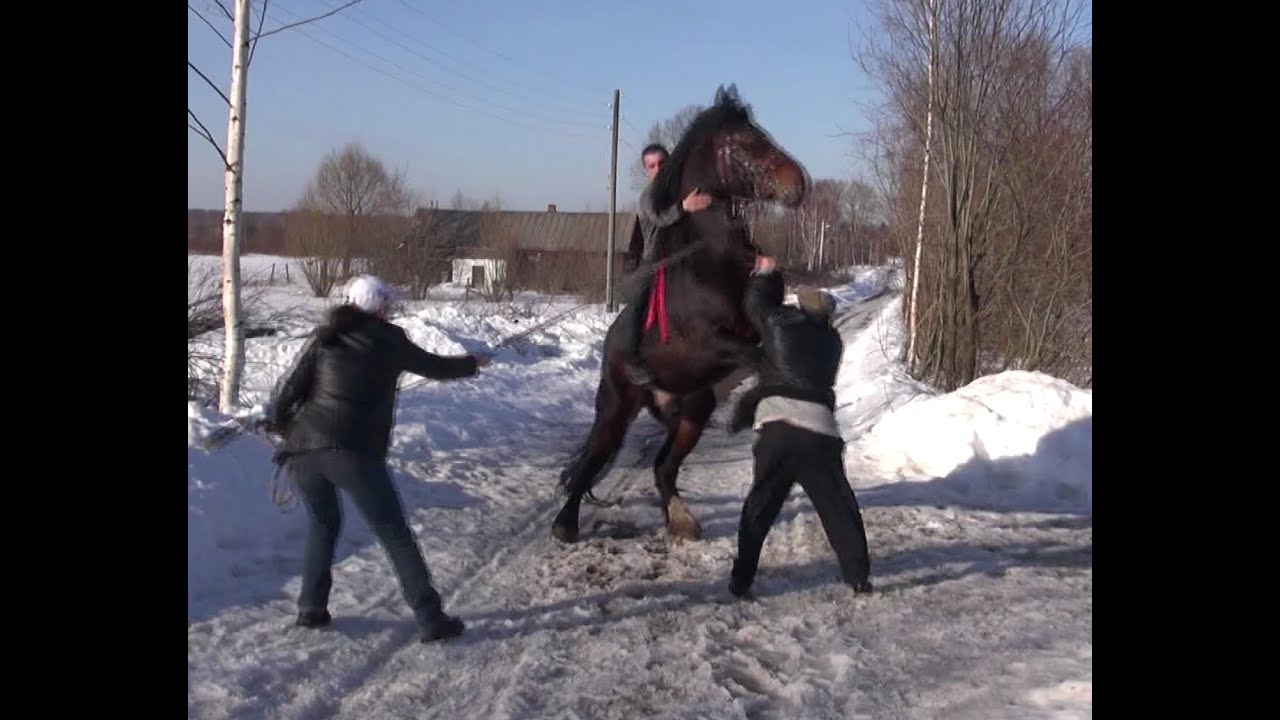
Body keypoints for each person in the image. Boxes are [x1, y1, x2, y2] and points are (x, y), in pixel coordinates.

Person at [263, 274, 494, 643]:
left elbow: (291, 388)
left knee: (323, 525)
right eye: (387, 302)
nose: (390, 308)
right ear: (380, 307)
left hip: (305, 448)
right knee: (393, 533)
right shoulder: (390, 340)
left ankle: (311, 608)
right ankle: (431, 618)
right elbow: (436, 367)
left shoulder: (326, 337)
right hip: (353, 453)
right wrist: (472, 362)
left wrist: (277, 423)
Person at [724, 256, 873, 598]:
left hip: (778, 430)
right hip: (820, 435)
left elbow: (755, 305)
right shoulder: (834, 343)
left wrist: (765, 272)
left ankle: (741, 579)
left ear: (801, 310)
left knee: (760, 506)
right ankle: (858, 577)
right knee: (838, 507)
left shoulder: (780, 325)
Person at [618, 142, 713, 387]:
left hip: (686, 257)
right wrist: (684, 207)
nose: (658, 169)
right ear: (646, 170)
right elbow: (661, 218)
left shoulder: (684, 190)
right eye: (652, 166)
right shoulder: (648, 196)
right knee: (637, 301)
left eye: (662, 163)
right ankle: (631, 359)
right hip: (656, 261)